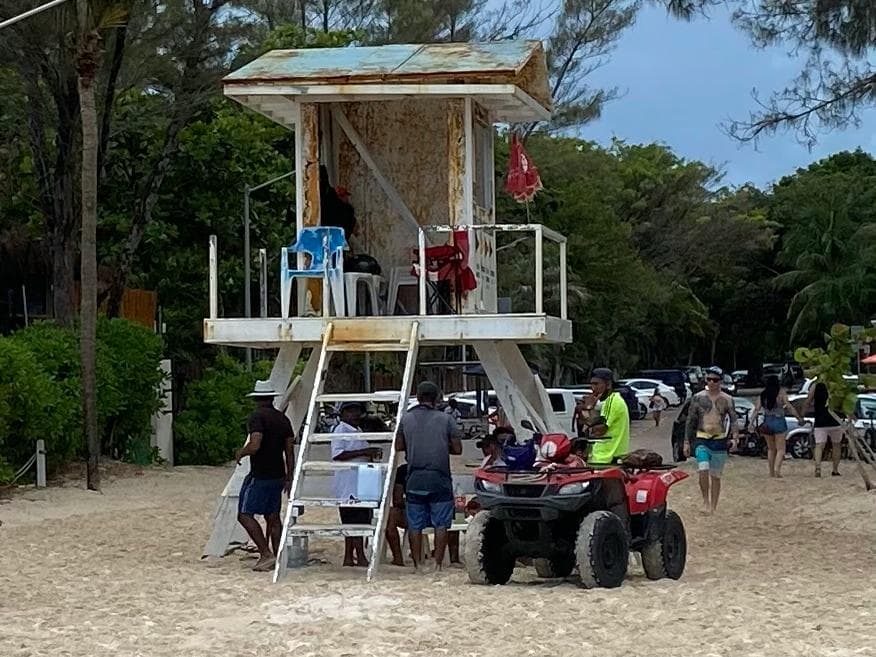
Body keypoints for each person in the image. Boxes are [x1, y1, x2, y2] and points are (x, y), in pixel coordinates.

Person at [396, 381, 462, 571]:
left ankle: (417, 564)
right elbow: (457, 449)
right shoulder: (446, 420)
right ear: (437, 399)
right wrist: (441, 445)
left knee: (415, 524)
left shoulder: (406, 419)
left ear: (417, 397)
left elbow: (398, 446)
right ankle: (438, 564)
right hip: (439, 477)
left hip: (414, 476)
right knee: (441, 524)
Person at [234, 383, 295, 572]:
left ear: (256, 399)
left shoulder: (257, 417)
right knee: (273, 516)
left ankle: (265, 553)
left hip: (260, 473)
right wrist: (289, 475)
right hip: (278, 474)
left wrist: (241, 453)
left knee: (244, 514)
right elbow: (289, 450)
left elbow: (255, 444)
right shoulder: (283, 419)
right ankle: (278, 556)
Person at [331, 401, 382, 567]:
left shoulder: (357, 430)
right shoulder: (340, 430)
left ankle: (352, 555)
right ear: (343, 414)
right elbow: (337, 454)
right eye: (350, 411)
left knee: (358, 519)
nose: (354, 414)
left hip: (359, 483)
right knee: (352, 520)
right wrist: (365, 452)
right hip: (348, 484)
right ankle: (356, 555)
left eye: (357, 411)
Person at [685, 367, 738, 513]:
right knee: (703, 469)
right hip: (702, 438)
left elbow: (733, 420)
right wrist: (687, 442)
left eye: (714, 380)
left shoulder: (727, 399)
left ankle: (713, 505)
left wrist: (735, 438)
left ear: (720, 381)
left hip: (719, 440)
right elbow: (690, 421)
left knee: (715, 476)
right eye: (708, 379)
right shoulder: (698, 398)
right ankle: (705, 502)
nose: (711, 383)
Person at [752, 375, 804, 478]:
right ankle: (777, 470)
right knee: (781, 449)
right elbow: (789, 406)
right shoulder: (781, 393)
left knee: (771, 449)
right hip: (779, 420)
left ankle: (771, 471)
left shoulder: (763, 395)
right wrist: (798, 418)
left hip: (767, 421)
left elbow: (756, 409)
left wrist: (751, 423)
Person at [581, 368, 630, 464]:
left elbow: (599, 430)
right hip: (607, 456)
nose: (593, 388)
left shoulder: (611, 401)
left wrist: (589, 409)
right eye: (591, 384)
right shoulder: (609, 401)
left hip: (607, 457)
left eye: (596, 384)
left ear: (608, 384)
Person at [806, 382, 842, 477]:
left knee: (819, 445)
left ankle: (818, 467)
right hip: (835, 420)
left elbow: (808, 400)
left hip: (820, 420)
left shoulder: (815, 385)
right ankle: (835, 470)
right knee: (836, 445)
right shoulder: (836, 384)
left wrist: (802, 413)